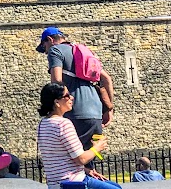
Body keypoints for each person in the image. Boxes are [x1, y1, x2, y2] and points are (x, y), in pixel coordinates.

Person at [37, 27, 115, 167]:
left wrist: (53, 109)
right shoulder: (82, 51)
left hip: (75, 112)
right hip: (95, 113)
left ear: (50, 40)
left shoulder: (56, 51)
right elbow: (107, 79)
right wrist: (109, 110)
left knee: (74, 162)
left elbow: (56, 82)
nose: (46, 51)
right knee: (90, 160)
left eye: (45, 47)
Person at [37, 83, 120, 189]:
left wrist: (87, 170)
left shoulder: (43, 124)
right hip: (74, 182)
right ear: (57, 102)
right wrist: (97, 147)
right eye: (67, 95)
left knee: (114, 185)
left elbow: (61, 158)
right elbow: (81, 159)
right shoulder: (63, 124)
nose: (71, 97)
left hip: (55, 184)